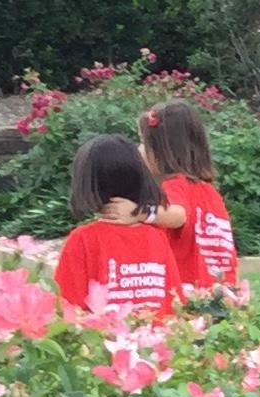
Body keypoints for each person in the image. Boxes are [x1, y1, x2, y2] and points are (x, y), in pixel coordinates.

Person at [55, 135, 182, 321]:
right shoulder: (157, 236)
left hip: (105, 347)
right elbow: (174, 304)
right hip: (155, 346)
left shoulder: (82, 240)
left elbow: (67, 309)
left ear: (87, 184)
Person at [140, 101, 241, 291]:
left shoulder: (175, 185)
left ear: (162, 151)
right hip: (221, 291)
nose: (139, 150)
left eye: (144, 143)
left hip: (189, 294)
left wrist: (140, 212)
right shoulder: (210, 192)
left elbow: (178, 215)